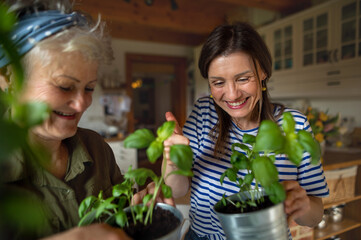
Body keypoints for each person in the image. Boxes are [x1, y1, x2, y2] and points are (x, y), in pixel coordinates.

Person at [0, 1, 174, 239]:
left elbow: (120, 218)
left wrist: (138, 209)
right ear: (8, 79)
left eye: (89, 88)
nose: (82, 104)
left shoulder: (97, 148)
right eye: (64, 86)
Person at [164, 22, 330, 240]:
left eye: (243, 79)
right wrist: (173, 161)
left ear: (262, 72)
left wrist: (304, 205)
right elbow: (176, 191)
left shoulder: (295, 126)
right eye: (218, 82)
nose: (232, 95)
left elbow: (315, 216)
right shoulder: (203, 113)